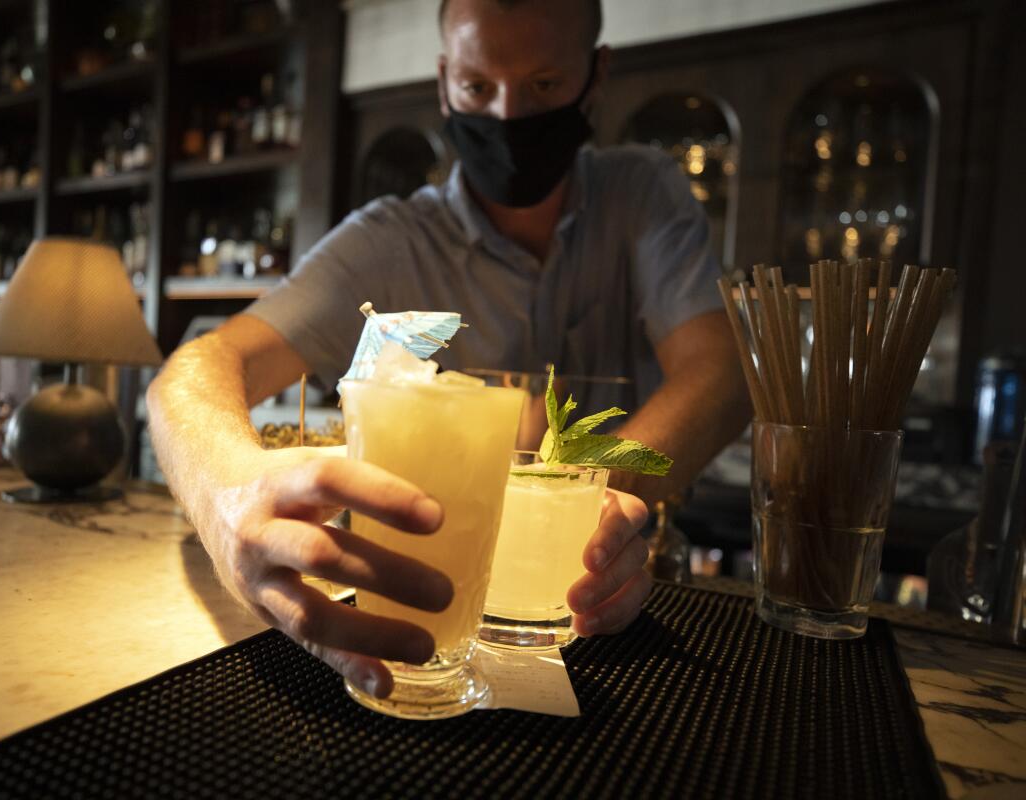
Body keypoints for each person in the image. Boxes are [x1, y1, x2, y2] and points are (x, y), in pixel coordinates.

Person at [146, 0, 750, 699]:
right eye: (476, 87)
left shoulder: (640, 193)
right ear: (443, 81)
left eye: (544, 85)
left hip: (610, 616)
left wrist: (593, 514)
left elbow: (723, 373)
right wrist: (229, 501)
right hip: (440, 623)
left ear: (597, 73)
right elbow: (199, 367)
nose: (506, 114)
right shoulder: (389, 240)